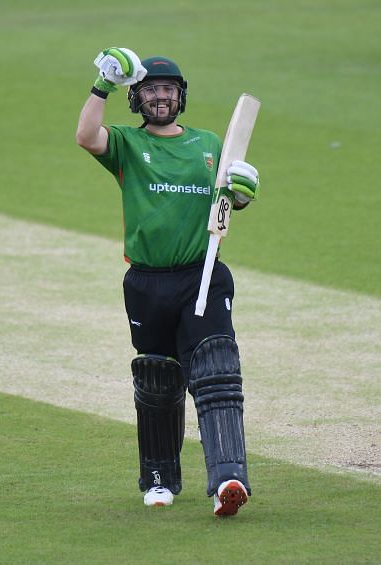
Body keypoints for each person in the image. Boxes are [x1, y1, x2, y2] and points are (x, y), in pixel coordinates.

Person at [75, 47, 260, 517]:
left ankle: (227, 479)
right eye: (152, 90)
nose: (161, 97)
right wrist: (103, 83)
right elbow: (85, 136)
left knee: (217, 371)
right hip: (146, 282)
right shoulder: (126, 144)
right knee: (158, 379)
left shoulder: (209, 143)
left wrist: (241, 196)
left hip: (203, 275)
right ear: (136, 97)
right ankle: (159, 479)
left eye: (169, 90)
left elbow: (226, 204)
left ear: (181, 97)